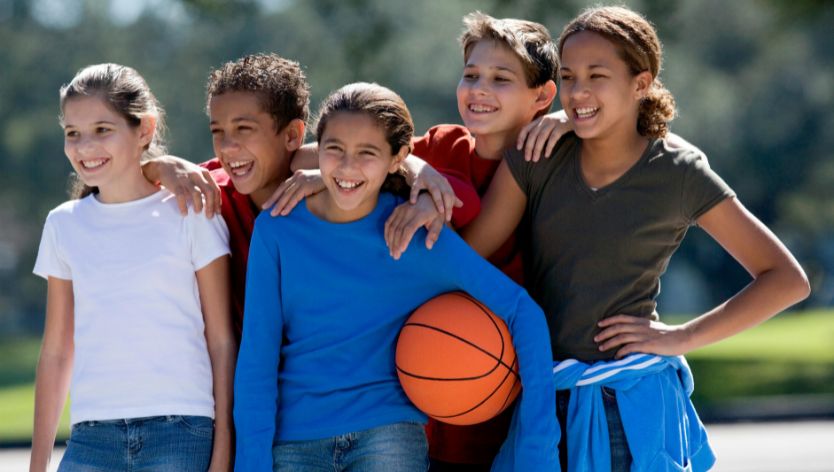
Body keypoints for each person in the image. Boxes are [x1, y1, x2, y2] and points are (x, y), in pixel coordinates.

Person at [455, 6, 810, 471]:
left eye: (596, 76)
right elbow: (466, 259)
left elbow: (786, 279)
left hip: (631, 410)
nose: (578, 91)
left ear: (640, 83)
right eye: (568, 77)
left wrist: (680, 336)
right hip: (542, 399)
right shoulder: (538, 154)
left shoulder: (679, 171)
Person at [267, 14, 571, 469]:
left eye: (500, 79)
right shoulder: (445, 146)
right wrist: (416, 171)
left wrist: (566, 119)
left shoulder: (550, 159)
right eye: (470, 75)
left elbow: (620, 126)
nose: (479, 89)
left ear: (543, 96)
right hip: (424, 373)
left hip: (507, 373)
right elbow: (314, 153)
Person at [142, 53, 458, 342]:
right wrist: (156, 166)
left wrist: (418, 170)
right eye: (217, 131)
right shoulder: (212, 193)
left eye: (244, 129)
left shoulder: (343, 189)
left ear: (293, 135)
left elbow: (388, 152)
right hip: (250, 382)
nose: (227, 147)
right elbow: (116, 190)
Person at [29, 64, 234, 472]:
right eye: (73, 133)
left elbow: (221, 341)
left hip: (182, 430)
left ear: (144, 129)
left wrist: (223, 449)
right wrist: (37, 465)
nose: (85, 147)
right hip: (91, 438)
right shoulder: (63, 224)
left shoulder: (192, 211)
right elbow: (55, 351)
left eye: (103, 129)